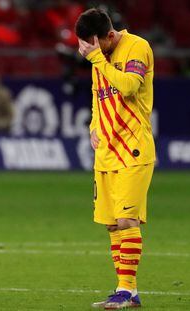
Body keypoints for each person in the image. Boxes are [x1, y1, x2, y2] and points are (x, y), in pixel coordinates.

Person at [75, 8, 156, 309]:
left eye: (95, 46)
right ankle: (129, 293)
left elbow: (129, 86)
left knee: (126, 220)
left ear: (109, 35)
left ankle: (123, 290)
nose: (91, 52)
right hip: (106, 152)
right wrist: (93, 126)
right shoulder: (99, 55)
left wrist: (97, 58)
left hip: (134, 148)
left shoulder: (138, 47)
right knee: (112, 225)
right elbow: (99, 96)